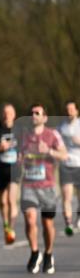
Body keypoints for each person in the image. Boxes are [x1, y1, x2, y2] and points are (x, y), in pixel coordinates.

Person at [20, 103, 68, 274]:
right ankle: (34, 252)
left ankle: (48, 253)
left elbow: (64, 155)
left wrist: (49, 151)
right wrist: (19, 159)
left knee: (47, 223)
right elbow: (18, 156)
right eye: (31, 112)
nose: (34, 115)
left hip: (47, 186)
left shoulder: (52, 135)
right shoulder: (24, 136)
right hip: (29, 185)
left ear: (44, 117)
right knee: (30, 219)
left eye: (37, 113)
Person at [0, 103, 21, 244]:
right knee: (3, 202)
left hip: (14, 169)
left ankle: (11, 228)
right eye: (5, 112)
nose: (7, 115)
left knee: (11, 200)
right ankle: (5, 225)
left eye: (10, 113)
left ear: (14, 115)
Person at [58, 99, 80, 236]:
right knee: (67, 197)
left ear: (77, 111)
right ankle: (68, 223)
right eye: (67, 110)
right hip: (66, 165)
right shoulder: (61, 127)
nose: (69, 112)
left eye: (72, 110)